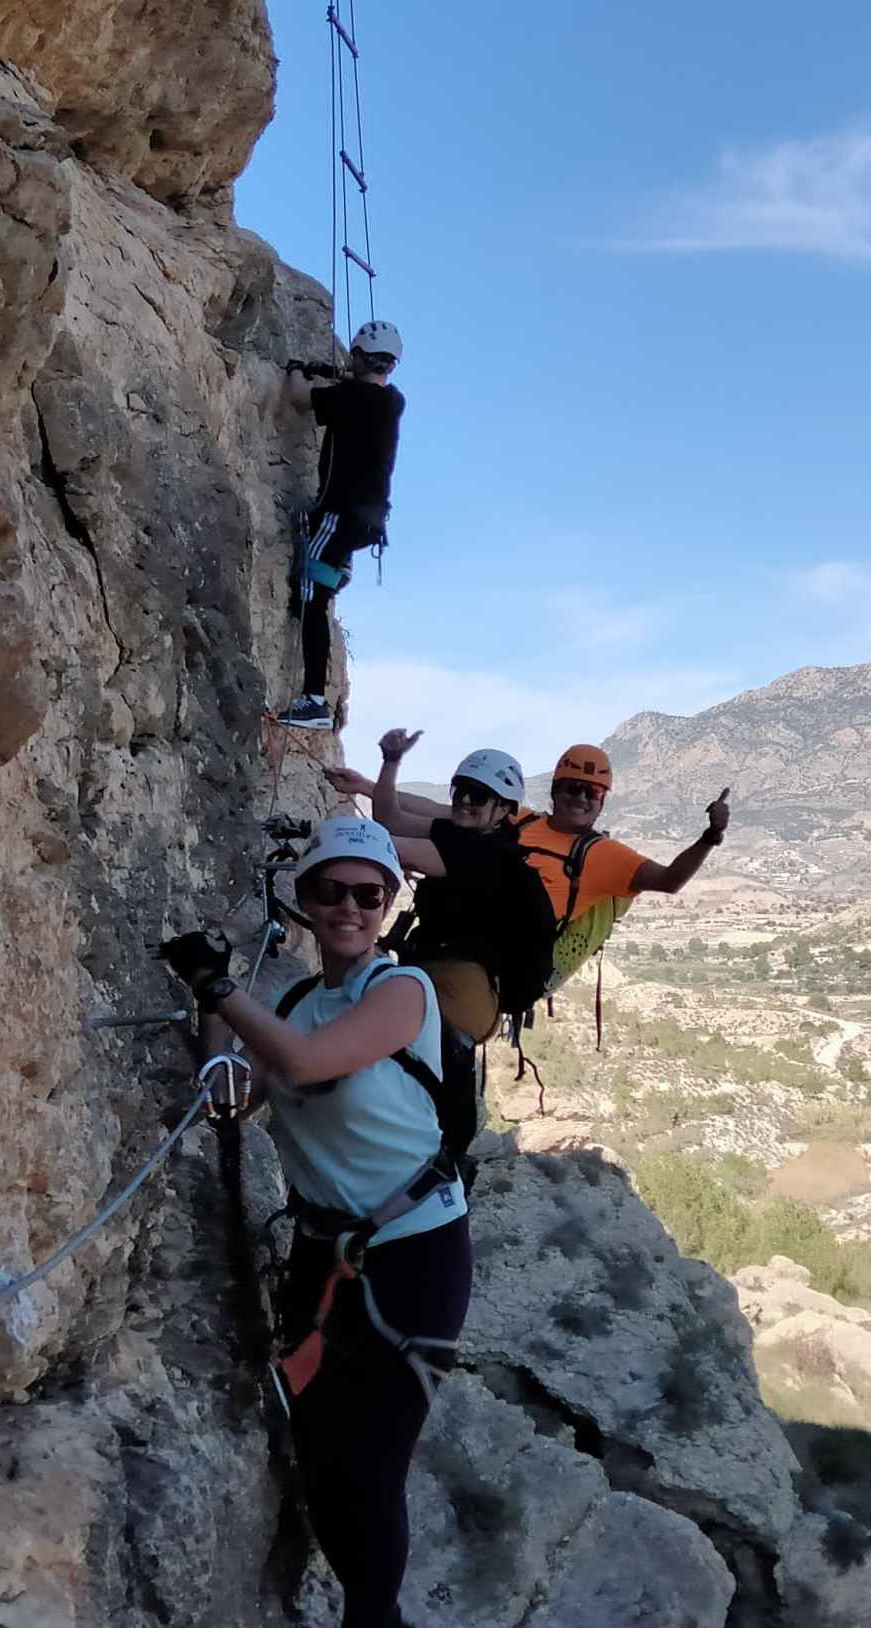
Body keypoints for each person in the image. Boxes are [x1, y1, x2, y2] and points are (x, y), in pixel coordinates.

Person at [159, 816, 466, 1628]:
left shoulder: (402, 990)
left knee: (369, 1473)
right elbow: (246, 1083)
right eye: (330, 891)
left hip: (415, 1256)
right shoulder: (294, 996)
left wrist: (218, 991)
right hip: (323, 1251)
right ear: (305, 899)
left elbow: (300, 1065)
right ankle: (385, 1619)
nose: (347, 907)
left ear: (389, 905)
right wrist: (216, 1029)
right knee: (322, 1462)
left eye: (367, 894)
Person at [330, 741, 733, 994]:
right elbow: (441, 813)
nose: (580, 797)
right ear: (555, 790)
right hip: (455, 934)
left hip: (500, 960)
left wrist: (709, 838)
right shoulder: (517, 820)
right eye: (571, 786)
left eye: (591, 791)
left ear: (603, 801)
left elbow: (669, 880)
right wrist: (366, 784)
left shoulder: (604, 855)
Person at [325, 731, 555, 1167]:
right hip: (458, 984)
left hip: (457, 985)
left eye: (479, 796)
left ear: (503, 811)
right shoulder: (470, 838)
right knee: (430, 1074)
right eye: (460, 790)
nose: (465, 801)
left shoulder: (476, 853)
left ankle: (425, 1155)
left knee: (410, 1067)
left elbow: (390, 843)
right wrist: (390, 762)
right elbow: (391, 816)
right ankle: (439, 1150)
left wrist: (326, 841)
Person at [276, 321, 404, 731]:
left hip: (339, 514)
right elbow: (359, 384)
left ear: (361, 355)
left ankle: (313, 698)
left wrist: (296, 368)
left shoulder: (354, 396)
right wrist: (337, 374)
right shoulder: (391, 399)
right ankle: (337, 571)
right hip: (366, 521)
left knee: (311, 595)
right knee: (321, 590)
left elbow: (299, 400)